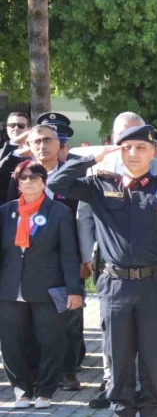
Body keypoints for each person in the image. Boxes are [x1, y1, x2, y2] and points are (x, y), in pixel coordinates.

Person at [49, 124, 157, 417]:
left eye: (141, 147)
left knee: (154, 357)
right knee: (118, 356)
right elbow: (56, 183)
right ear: (117, 151)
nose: (133, 154)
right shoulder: (100, 186)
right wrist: (92, 158)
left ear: (154, 151)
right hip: (114, 286)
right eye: (125, 147)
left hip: (156, 285)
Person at [78, 112, 157, 409]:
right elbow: (84, 215)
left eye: (138, 139)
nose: (131, 147)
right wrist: (87, 256)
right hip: (110, 267)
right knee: (114, 337)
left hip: (150, 273)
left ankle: (149, 408)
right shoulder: (100, 172)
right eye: (124, 139)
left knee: (149, 341)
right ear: (113, 140)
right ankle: (113, 386)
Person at [1, 122, 86, 391]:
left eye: (48, 140)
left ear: (60, 143)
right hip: (28, 265)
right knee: (28, 322)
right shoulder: (20, 175)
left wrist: (84, 259)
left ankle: (68, 370)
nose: (42, 146)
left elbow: (83, 217)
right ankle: (34, 371)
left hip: (66, 258)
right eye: (36, 141)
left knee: (68, 319)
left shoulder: (73, 174)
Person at [0, 112, 31, 205]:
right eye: (12, 125)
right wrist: (14, 146)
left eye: (21, 125)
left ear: (29, 129)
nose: (16, 128)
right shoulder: (1, 152)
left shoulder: (35, 153)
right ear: (7, 128)